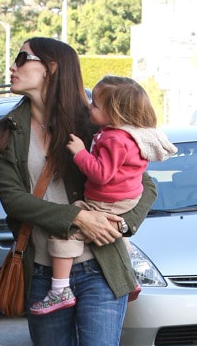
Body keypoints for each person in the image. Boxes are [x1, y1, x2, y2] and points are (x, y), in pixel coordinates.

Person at [0, 37, 157, 346]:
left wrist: (123, 223)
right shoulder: (5, 132)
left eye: (22, 58)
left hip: (101, 267)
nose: (12, 66)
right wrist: (77, 219)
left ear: (51, 68)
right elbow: (14, 201)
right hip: (42, 272)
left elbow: (145, 182)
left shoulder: (93, 120)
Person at [29, 75, 177, 315]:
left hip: (108, 200)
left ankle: (59, 290)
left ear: (115, 112)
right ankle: (129, 277)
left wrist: (79, 153)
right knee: (117, 235)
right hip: (126, 198)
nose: (89, 107)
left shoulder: (114, 139)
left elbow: (101, 174)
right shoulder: (131, 135)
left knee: (67, 232)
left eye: (96, 105)